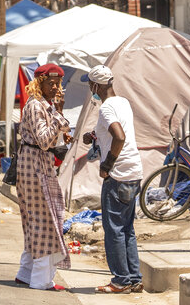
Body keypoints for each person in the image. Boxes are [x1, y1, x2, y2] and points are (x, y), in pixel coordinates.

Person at [82, 65, 144, 293]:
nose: (90, 89)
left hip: (117, 175)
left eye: (90, 85)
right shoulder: (123, 102)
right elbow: (115, 132)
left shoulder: (106, 108)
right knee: (127, 228)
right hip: (134, 171)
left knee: (114, 229)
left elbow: (119, 136)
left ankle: (120, 280)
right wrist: (94, 135)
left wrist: (107, 164)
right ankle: (134, 278)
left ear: (96, 85)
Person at [15, 63, 72, 291]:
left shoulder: (45, 105)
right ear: (39, 83)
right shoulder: (36, 106)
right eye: (51, 83)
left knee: (35, 219)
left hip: (37, 163)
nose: (56, 88)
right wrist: (57, 114)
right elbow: (45, 140)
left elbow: (62, 129)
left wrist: (59, 113)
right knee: (44, 221)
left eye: (58, 83)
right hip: (35, 164)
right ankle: (41, 279)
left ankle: (26, 272)